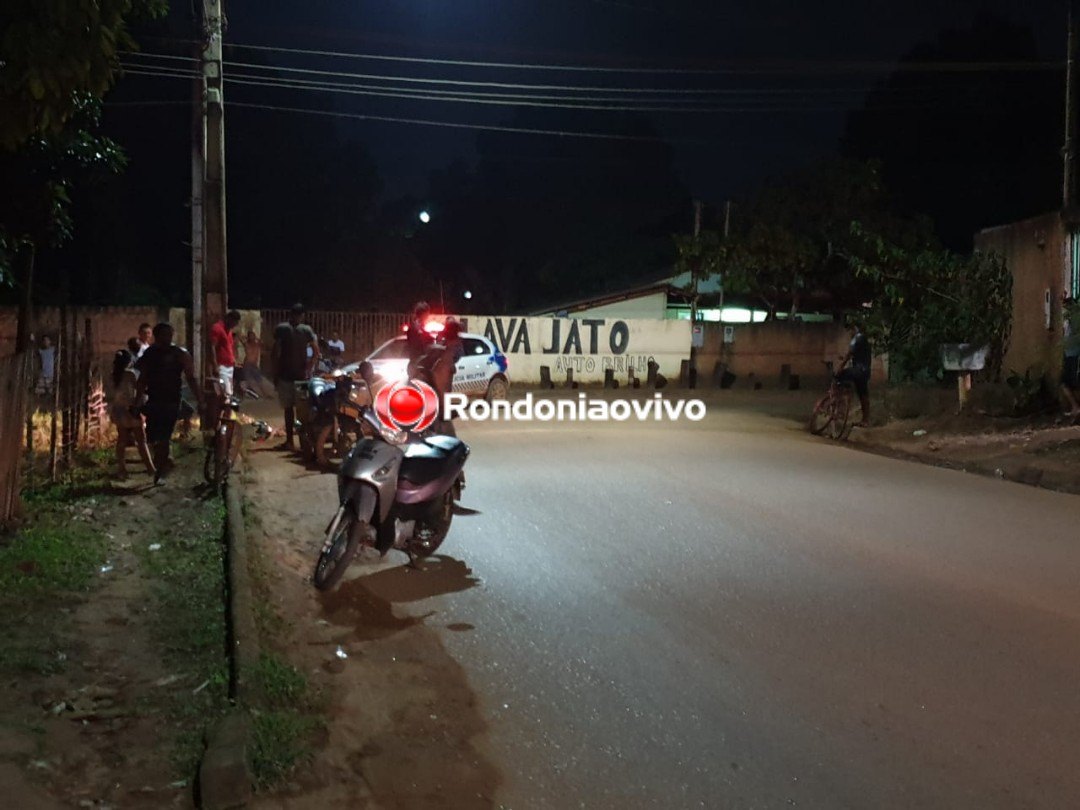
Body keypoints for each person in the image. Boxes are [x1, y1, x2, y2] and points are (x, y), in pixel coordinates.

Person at [135, 323, 203, 484]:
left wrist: (200, 399)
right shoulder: (150, 354)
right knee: (152, 437)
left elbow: (191, 378)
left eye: (169, 334)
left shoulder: (179, 354)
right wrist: (137, 401)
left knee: (164, 436)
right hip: (154, 400)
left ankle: (160, 470)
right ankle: (164, 461)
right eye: (164, 335)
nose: (167, 338)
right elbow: (142, 380)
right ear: (157, 336)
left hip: (172, 400)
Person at [271, 303, 319, 451]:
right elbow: (316, 352)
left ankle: (291, 441)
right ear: (302, 315)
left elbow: (276, 353)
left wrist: (275, 373)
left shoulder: (283, 329)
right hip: (299, 376)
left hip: (288, 375)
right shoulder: (305, 330)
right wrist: (309, 369)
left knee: (290, 410)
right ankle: (302, 443)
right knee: (301, 411)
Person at [109, 349, 155, 480]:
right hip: (131, 410)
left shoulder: (113, 375)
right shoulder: (131, 374)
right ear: (129, 361)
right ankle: (151, 469)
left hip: (118, 411)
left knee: (122, 440)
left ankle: (121, 469)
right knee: (141, 440)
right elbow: (140, 389)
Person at [837, 319, 872, 428]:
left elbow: (849, 353)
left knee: (839, 377)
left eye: (850, 330)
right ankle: (865, 420)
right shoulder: (864, 339)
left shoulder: (857, 337)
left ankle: (841, 407)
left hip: (857, 370)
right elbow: (859, 355)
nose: (850, 333)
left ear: (855, 328)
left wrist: (841, 366)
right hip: (865, 371)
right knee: (863, 395)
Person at [209, 310, 242, 396]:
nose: (234, 325)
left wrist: (233, 360)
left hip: (229, 366)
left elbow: (229, 347)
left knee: (228, 393)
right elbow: (212, 347)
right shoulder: (217, 328)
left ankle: (225, 408)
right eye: (233, 322)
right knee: (224, 393)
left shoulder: (229, 330)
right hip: (221, 366)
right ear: (228, 319)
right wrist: (215, 365)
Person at [240, 329, 274, 397]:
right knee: (249, 380)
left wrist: (258, 340)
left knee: (259, 379)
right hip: (247, 364)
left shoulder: (257, 344)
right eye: (250, 336)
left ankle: (265, 393)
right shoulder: (246, 344)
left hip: (254, 365)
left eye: (253, 336)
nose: (252, 338)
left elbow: (266, 346)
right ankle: (252, 394)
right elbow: (240, 338)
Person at [406, 301, 435, 378]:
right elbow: (421, 344)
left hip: (417, 362)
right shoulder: (417, 327)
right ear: (424, 313)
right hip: (418, 364)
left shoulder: (418, 326)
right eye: (427, 313)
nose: (428, 315)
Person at [1061, 297, 1080, 417]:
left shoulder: (1075, 321)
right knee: (1066, 383)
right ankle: (1075, 406)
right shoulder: (1067, 322)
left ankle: (1075, 407)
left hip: (1075, 355)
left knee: (1072, 382)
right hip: (1069, 354)